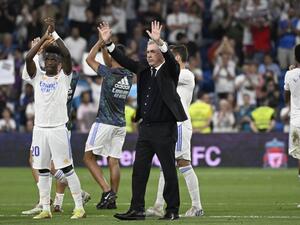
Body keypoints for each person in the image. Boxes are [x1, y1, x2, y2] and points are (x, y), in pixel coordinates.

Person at [99, 20, 187, 220]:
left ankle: (172, 210)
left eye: (153, 51)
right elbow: (124, 59)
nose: (148, 55)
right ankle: (137, 209)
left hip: (165, 129)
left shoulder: (170, 71)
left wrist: (161, 43)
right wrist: (108, 43)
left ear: (161, 55)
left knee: (168, 171)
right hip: (145, 129)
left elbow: (172, 62)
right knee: (139, 171)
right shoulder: (143, 70)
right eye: (147, 51)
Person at [24, 18, 85, 219]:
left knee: (66, 168)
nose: (49, 62)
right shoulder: (37, 77)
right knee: (41, 169)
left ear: (59, 65)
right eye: (47, 59)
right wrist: (43, 38)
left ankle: (79, 207)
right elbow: (28, 59)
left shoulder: (64, 77)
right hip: (40, 129)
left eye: (53, 60)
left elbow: (66, 54)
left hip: (58, 128)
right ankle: (45, 209)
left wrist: (54, 34)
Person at [146, 44, 204, 217]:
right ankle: (158, 205)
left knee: (183, 163)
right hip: (169, 125)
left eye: (169, 56)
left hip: (180, 125)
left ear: (176, 58)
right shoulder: (170, 74)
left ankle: (197, 206)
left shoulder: (186, 74)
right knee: (166, 165)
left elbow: (163, 77)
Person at [83, 27, 133, 210]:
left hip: (104, 122)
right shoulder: (129, 75)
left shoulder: (109, 73)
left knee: (88, 157)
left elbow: (89, 60)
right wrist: (106, 45)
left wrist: (99, 42)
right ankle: (112, 199)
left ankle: (107, 191)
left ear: (114, 58)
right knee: (113, 160)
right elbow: (109, 60)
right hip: (120, 124)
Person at [284, 44, 300, 177]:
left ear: (295, 57)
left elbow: (286, 98)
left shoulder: (289, 74)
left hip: (296, 120)